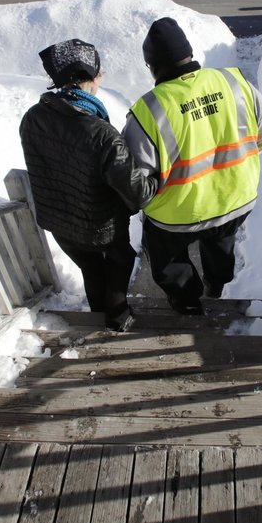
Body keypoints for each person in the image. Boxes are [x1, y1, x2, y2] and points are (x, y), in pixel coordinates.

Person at [122, 17, 262, 315]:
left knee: (166, 253)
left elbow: (138, 179)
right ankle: (216, 287)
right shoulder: (234, 82)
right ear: (188, 54)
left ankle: (186, 301)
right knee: (221, 239)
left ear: (152, 67)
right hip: (235, 201)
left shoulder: (148, 109)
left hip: (176, 217)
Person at [20, 39, 156, 331]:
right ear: (90, 78)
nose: (101, 76)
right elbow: (138, 193)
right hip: (99, 227)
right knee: (121, 259)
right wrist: (158, 177)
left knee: (91, 267)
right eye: (99, 71)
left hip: (59, 223)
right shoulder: (102, 134)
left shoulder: (33, 117)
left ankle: (98, 316)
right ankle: (118, 316)